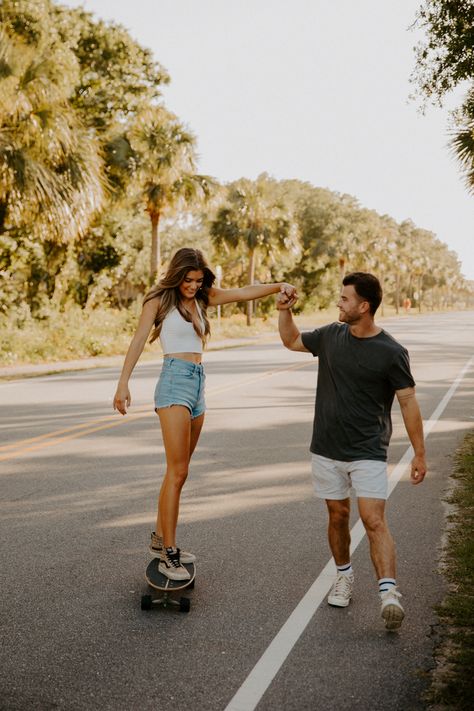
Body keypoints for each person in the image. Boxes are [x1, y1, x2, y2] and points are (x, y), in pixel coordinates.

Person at [113, 247, 296, 581]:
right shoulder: (158, 299)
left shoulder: (203, 298)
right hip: (173, 381)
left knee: (180, 471)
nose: (193, 286)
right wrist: (123, 383)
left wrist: (277, 285)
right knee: (177, 471)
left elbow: (243, 292)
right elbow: (139, 339)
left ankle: (159, 539)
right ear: (176, 274)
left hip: (197, 383)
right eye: (188, 280)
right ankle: (169, 553)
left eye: (198, 280)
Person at [277, 272, 427, 630]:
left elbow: (408, 403)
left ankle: (389, 593)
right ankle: (343, 575)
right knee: (337, 515)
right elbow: (293, 340)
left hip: (368, 450)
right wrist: (284, 310)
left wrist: (419, 453)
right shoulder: (331, 335)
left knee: (374, 520)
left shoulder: (392, 352)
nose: (338, 303)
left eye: (345, 299)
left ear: (364, 306)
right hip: (327, 448)